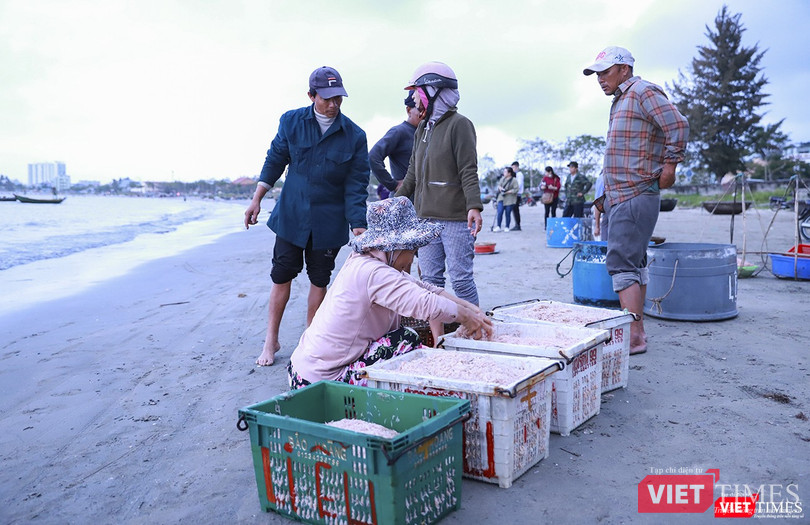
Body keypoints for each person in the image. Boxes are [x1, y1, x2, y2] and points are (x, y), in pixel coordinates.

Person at [287, 197, 494, 388]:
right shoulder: (373, 273)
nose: (412, 259)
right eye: (412, 250)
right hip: (320, 379)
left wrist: (474, 311)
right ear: (394, 247)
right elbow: (425, 303)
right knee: (405, 339)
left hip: (304, 370)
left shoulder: (372, 263)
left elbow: (428, 290)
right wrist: (466, 319)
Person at [244, 66, 370, 367]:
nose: (333, 104)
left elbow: (356, 184)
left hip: (329, 220)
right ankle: (270, 340)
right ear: (311, 95)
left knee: (319, 280)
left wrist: (359, 227)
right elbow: (275, 159)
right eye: (326, 98)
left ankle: (310, 341)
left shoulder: (354, 136)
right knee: (281, 275)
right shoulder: (291, 122)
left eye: (338, 97)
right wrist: (257, 199)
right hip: (291, 214)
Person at [584, 46, 689, 355]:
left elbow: (678, 125)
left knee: (621, 263)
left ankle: (633, 337)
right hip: (621, 194)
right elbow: (619, 152)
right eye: (597, 74)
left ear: (624, 69)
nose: (600, 79)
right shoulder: (620, 101)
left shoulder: (642, 92)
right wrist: (603, 196)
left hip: (636, 191)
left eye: (605, 72)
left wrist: (670, 164)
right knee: (635, 261)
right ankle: (636, 332)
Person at [396, 61, 484, 313]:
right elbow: (412, 172)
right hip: (425, 221)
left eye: (417, 92)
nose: (413, 98)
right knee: (430, 282)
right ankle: (439, 334)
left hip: (454, 221)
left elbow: (468, 169)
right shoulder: (422, 128)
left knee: (461, 280)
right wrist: (394, 202)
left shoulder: (460, 125)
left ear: (434, 92)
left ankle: (477, 327)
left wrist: (474, 206)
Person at [369, 91, 423, 195]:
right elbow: (373, 157)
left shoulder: (426, 134)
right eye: (419, 110)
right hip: (404, 200)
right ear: (408, 110)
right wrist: (393, 184)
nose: (423, 114)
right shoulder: (399, 132)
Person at [493, 166, 519, 232]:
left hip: (510, 199)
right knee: (500, 212)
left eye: (505, 171)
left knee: (508, 213)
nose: (504, 173)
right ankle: (498, 226)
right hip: (501, 197)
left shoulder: (514, 180)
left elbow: (516, 189)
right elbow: (499, 185)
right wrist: (500, 188)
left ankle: (507, 226)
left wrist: (508, 191)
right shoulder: (502, 179)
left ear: (509, 173)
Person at [540, 166, 562, 230]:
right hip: (546, 197)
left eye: (546, 172)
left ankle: (553, 225)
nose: (545, 173)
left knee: (553, 211)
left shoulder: (556, 178)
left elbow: (558, 187)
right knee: (546, 211)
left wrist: (552, 187)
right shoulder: (544, 178)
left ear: (550, 172)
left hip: (554, 197)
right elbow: (542, 186)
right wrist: (543, 187)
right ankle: (546, 225)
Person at [592, 173, 606, 240]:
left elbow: (598, 203)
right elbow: (598, 203)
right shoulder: (602, 178)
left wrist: (597, 227)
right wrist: (597, 226)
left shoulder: (602, 178)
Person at [510, 161, 524, 231]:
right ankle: (517, 224)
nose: (513, 169)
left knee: (516, 210)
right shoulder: (515, 175)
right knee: (514, 210)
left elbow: (519, 184)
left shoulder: (519, 174)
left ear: (517, 167)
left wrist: (513, 189)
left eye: (513, 167)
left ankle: (518, 225)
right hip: (514, 194)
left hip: (517, 194)